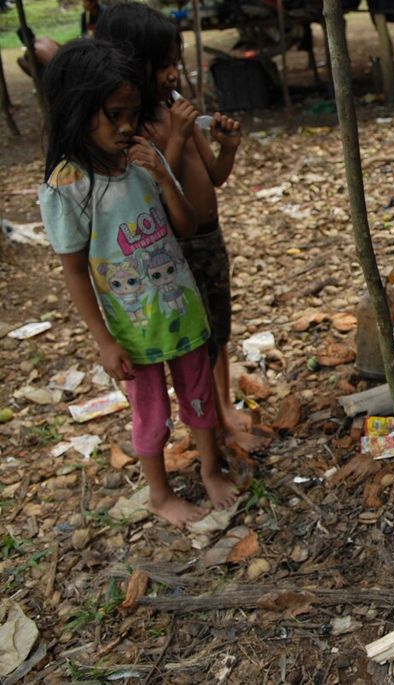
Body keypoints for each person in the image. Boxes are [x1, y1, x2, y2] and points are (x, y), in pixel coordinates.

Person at [37, 39, 240, 527]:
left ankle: (211, 468)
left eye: (132, 113)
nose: (127, 126)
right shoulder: (67, 186)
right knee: (150, 415)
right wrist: (104, 341)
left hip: (182, 308)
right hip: (133, 328)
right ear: (78, 111)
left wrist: (164, 176)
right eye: (114, 115)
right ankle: (160, 493)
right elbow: (74, 269)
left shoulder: (143, 159)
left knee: (199, 396)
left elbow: (186, 227)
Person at [96, 4, 266, 452]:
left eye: (177, 61)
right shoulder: (131, 129)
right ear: (133, 63)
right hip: (174, 247)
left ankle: (224, 406)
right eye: (164, 64)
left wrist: (227, 148)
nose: (174, 74)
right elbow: (152, 193)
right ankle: (215, 422)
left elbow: (213, 175)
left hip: (209, 237)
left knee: (220, 330)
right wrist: (174, 137)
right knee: (201, 339)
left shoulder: (176, 108)